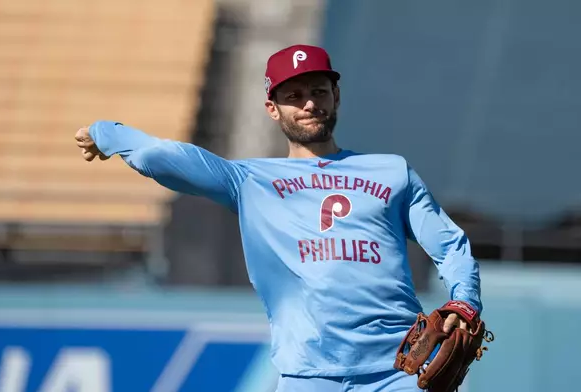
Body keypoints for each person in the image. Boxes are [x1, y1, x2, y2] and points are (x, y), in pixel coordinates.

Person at [75, 44, 482, 392]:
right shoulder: (248, 180)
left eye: (319, 91)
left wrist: (464, 303)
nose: (309, 103)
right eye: (295, 95)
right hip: (308, 375)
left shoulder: (392, 171)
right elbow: (162, 156)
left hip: (397, 371)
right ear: (272, 108)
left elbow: (450, 245)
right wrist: (107, 133)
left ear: (336, 96)